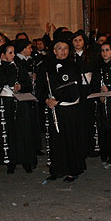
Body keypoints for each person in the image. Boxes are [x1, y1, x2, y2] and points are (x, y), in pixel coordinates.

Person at [37, 34, 86, 182]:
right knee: (56, 140)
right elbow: (40, 88)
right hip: (54, 109)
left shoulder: (74, 67)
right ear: (54, 50)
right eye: (60, 48)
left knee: (70, 140)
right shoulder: (45, 68)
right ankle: (57, 169)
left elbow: (74, 90)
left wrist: (57, 99)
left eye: (65, 48)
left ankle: (73, 170)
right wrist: (46, 100)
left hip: (69, 109)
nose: (63, 51)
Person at [0, 43, 37, 173]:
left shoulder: (18, 66)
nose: (14, 55)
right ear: (3, 55)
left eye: (14, 52)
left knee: (22, 131)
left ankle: (24, 160)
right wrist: (8, 68)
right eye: (10, 53)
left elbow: (27, 83)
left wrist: (21, 86)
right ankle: (8, 161)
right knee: (6, 132)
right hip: (3, 103)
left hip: (18, 102)